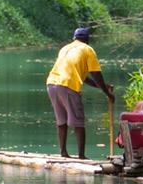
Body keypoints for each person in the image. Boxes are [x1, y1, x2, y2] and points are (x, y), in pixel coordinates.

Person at [46, 27, 115, 158]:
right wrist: (107, 93)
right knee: (78, 121)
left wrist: (102, 87)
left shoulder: (65, 48)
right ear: (87, 40)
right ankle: (81, 156)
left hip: (51, 84)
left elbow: (81, 76)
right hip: (67, 85)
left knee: (62, 121)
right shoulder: (87, 49)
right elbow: (96, 74)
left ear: (74, 38)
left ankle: (63, 153)